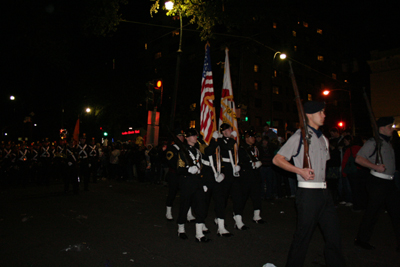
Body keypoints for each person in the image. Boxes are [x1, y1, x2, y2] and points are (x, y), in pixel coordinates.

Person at [273, 101, 346, 267]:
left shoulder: (323, 139)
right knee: (302, 237)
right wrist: (300, 171)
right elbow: (277, 159)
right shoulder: (299, 137)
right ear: (309, 115)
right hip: (308, 195)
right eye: (321, 112)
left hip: (324, 194)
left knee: (334, 236)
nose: (324, 115)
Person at [354, 116, 400, 252]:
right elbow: (359, 158)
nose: (391, 129)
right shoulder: (374, 142)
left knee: (397, 212)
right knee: (372, 213)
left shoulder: (388, 143)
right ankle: (362, 239)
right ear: (382, 128)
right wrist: (375, 166)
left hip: (389, 182)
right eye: (389, 127)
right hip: (378, 182)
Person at [176, 128, 210, 243]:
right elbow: (179, 169)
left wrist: (204, 182)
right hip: (187, 183)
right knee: (184, 206)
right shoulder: (182, 151)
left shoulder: (198, 151)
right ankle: (181, 229)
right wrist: (188, 170)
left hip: (198, 183)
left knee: (201, 207)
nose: (195, 137)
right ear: (187, 138)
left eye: (196, 135)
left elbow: (202, 168)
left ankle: (199, 234)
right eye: (193, 135)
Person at [237, 130, 264, 223]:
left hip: (255, 175)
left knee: (256, 196)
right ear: (247, 138)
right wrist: (251, 164)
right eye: (251, 137)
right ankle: (238, 216)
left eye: (254, 137)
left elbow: (260, 157)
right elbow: (241, 161)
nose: (253, 139)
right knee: (243, 197)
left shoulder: (256, 148)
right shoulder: (242, 148)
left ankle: (257, 216)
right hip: (246, 175)